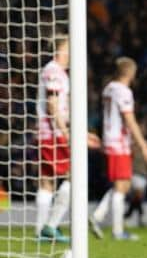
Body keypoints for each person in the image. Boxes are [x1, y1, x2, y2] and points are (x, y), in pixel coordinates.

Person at [36, 36, 101, 242]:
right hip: (53, 133)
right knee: (74, 175)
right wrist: (66, 134)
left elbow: (62, 109)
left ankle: (42, 231)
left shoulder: (57, 72)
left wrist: (81, 133)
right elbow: (52, 106)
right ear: (61, 50)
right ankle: (50, 226)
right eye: (69, 48)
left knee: (47, 183)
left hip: (48, 132)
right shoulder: (54, 71)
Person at [89, 57, 147, 241]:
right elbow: (129, 119)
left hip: (111, 139)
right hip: (118, 142)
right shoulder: (123, 91)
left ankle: (97, 216)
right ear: (131, 73)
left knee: (123, 184)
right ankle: (118, 231)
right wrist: (143, 146)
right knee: (121, 186)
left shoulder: (108, 88)